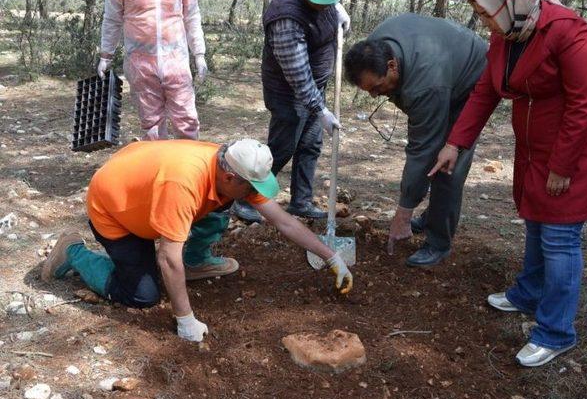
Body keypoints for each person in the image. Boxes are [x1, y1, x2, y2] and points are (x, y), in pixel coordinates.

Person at [430, 0, 587, 367]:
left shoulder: (569, 32)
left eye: (487, 12)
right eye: (481, 13)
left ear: (511, 0)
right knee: (536, 220)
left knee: (559, 238)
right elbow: (486, 90)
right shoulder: (509, 31)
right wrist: (456, 142)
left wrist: (563, 165)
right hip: (535, 147)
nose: (484, 21)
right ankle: (528, 292)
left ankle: (556, 332)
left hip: (574, 150)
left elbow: (585, 104)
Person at [41, 139, 353, 342]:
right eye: (250, 187)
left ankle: (196, 261)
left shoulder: (232, 167)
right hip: (116, 210)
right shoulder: (183, 185)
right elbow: (167, 257)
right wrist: (185, 319)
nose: (253, 193)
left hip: (147, 191)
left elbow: (282, 220)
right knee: (143, 296)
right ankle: (74, 252)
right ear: (230, 177)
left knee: (220, 208)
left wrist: (331, 257)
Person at [343, 14, 488, 267]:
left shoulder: (424, 83)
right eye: (370, 91)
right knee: (433, 155)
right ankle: (432, 217)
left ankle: (438, 243)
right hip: (444, 68)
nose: (376, 95)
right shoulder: (376, 45)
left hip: (472, 82)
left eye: (378, 87)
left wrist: (403, 211)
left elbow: (423, 148)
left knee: (446, 163)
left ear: (392, 66)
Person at [232, 0, 350, 224]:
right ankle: (246, 198)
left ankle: (301, 201)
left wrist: (337, 8)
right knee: (283, 146)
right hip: (289, 92)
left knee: (310, 144)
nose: (323, 4)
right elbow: (298, 75)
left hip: (314, 86)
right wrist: (320, 109)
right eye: (320, 0)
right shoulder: (285, 18)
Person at [98, 0, 207, 140]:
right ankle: (158, 168)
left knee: (186, 118)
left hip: (176, 61)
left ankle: (186, 168)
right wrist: (105, 55)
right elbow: (112, 19)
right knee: (152, 124)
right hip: (141, 64)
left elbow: (192, 17)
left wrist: (199, 54)